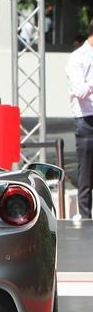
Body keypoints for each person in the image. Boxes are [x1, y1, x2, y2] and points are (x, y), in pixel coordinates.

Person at [66, 20, 93, 219]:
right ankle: (85, 217)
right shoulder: (77, 58)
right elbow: (80, 90)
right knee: (86, 171)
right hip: (86, 119)